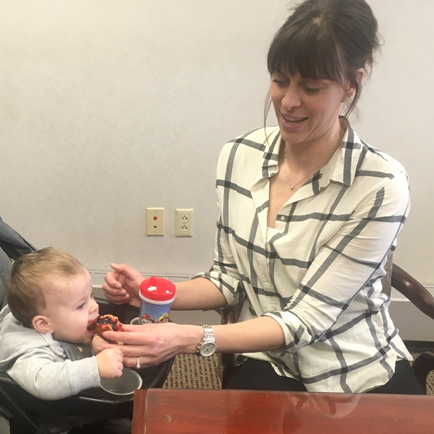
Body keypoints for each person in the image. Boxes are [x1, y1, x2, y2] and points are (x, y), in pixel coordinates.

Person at [100, 0, 424, 394]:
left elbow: (307, 318)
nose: (288, 101)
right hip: (268, 359)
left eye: (312, 87)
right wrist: (156, 295)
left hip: (353, 370)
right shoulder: (239, 156)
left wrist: (186, 338)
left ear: (351, 85)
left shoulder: (380, 184)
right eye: (280, 80)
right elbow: (229, 277)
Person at [0, 247, 124, 401]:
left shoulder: (63, 325)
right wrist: (95, 368)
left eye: (91, 296)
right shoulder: (29, 352)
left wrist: (92, 339)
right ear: (44, 324)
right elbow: (43, 383)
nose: (94, 306)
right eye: (81, 305)